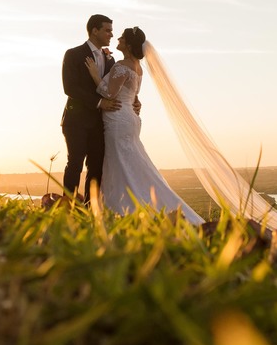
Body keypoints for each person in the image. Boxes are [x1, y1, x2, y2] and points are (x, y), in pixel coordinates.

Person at [85, 26, 202, 224]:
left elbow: (109, 93)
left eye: (122, 37)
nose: (118, 38)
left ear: (128, 45)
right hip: (129, 117)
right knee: (131, 162)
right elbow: (132, 94)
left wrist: (96, 75)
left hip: (118, 120)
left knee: (119, 163)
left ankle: (123, 209)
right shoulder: (138, 68)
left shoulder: (122, 65)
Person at [60, 14, 120, 203]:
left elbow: (115, 88)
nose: (111, 34)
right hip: (76, 120)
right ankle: (68, 208)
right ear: (95, 30)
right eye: (107, 30)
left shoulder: (110, 59)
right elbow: (69, 88)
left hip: (100, 122)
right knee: (75, 164)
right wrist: (99, 102)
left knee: (96, 167)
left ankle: (90, 209)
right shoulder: (73, 54)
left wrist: (134, 100)